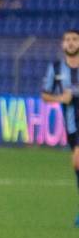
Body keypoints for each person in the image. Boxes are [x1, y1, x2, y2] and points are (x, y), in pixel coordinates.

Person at [40, 29, 79, 227]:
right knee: (77, 164)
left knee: (78, 161)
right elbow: (45, 95)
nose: (70, 43)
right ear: (63, 45)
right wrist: (60, 98)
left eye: (74, 39)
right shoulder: (56, 68)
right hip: (72, 125)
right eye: (67, 40)